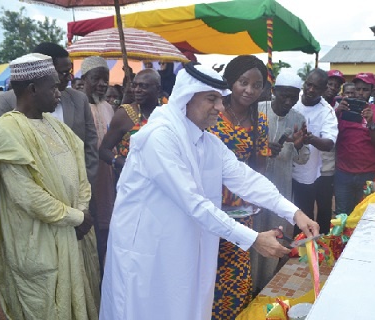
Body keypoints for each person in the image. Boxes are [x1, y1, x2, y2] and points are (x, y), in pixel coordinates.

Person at [99, 63, 319, 320]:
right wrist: (253, 238)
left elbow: (246, 179)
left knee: (183, 306)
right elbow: (193, 202)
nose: (220, 107)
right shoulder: (159, 137)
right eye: (211, 99)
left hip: (182, 246)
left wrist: (294, 213)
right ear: (186, 98)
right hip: (148, 251)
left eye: (220, 100)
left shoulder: (207, 141)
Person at [0, 53, 99, 319]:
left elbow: (80, 174)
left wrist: (82, 210)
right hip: (38, 241)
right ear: (32, 89)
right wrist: (76, 217)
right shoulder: (7, 130)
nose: (59, 92)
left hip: (74, 233)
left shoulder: (55, 125)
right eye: (53, 86)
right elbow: (26, 194)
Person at [207, 55, 272, 318]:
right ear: (231, 82)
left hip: (240, 210)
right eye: (243, 82)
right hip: (207, 202)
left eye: (257, 85)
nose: (249, 90)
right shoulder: (213, 112)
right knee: (205, 267)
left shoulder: (260, 122)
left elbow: (260, 166)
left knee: (234, 270)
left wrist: (254, 199)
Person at [0, 42, 99, 185]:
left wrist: (83, 189)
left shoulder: (79, 100)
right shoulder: (7, 103)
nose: (69, 78)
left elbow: (90, 147)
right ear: (47, 71)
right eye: (63, 73)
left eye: (70, 72)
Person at [254, 68, 309, 292]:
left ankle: (264, 288)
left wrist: (298, 145)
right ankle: (250, 286)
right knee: (256, 239)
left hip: (282, 189)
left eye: (293, 96)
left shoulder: (298, 118)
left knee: (276, 240)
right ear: (274, 91)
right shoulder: (257, 111)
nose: (288, 101)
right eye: (284, 95)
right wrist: (263, 149)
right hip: (255, 190)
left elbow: (303, 159)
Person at [292, 68, 338, 235]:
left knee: (303, 216)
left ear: (324, 89)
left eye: (316, 87)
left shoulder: (327, 111)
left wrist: (310, 139)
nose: (311, 90)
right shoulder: (292, 99)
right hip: (282, 168)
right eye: (309, 85)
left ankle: (302, 255)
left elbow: (329, 144)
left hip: (306, 173)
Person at [335, 72, 375, 215]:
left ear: (372, 91)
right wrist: (336, 113)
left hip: (368, 174)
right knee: (341, 216)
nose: (360, 93)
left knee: (366, 216)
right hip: (343, 173)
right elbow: (330, 134)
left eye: (365, 90)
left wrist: (371, 123)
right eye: (358, 89)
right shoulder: (342, 109)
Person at [81, 56, 116, 263]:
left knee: (106, 231)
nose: (102, 84)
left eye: (106, 79)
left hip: (107, 176)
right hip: (88, 177)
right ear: (84, 78)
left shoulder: (108, 108)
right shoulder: (77, 105)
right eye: (96, 79)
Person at [100, 69, 161, 176]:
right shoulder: (124, 114)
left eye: (143, 86)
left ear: (158, 89)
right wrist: (125, 164)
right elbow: (104, 151)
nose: (137, 90)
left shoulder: (167, 112)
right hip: (132, 181)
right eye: (135, 85)